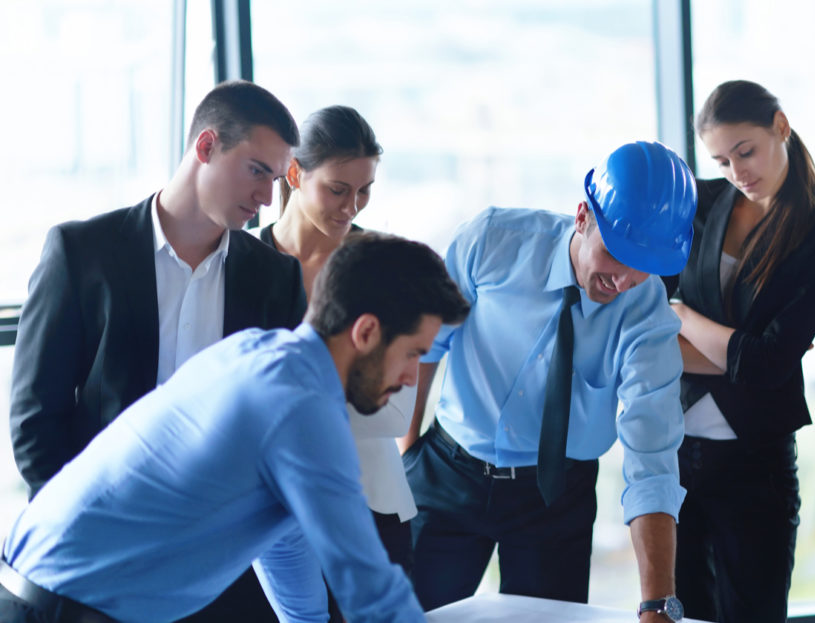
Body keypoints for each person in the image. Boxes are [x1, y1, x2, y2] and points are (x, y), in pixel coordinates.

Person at [0, 233, 471, 623]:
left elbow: (280, 535)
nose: (413, 376)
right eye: (413, 353)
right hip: (61, 611)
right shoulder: (302, 407)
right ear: (366, 332)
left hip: (33, 593)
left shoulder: (258, 354)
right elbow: (373, 593)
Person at [9, 80, 307, 622]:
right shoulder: (82, 254)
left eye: (277, 178)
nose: (268, 198)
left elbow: (281, 427)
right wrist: (86, 534)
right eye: (257, 170)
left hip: (225, 573)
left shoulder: (276, 278)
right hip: (101, 564)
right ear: (207, 146)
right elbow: (36, 418)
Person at [399, 140, 697, 621]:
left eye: (646, 267)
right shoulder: (493, 240)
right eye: (617, 254)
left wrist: (656, 604)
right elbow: (424, 346)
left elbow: (652, 461)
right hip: (447, 473)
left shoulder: (647, 316)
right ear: (583, 216)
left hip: (556, 498)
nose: (623, 280)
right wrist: (406, 453)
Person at [668, 80, 815, 623]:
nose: (737, 172)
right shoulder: (698, 203)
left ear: (780, 126)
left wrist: (683, 316)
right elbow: (643, 326)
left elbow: (769, 364)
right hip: (673, 454)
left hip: (756, 467)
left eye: (745, 151)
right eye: (722, 160)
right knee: (680, 613)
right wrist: (736, 350)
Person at [260, 106, 418, 579]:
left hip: (368, 506)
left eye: (365, 191)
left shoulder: (385, 266)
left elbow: (393, 410)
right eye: (338, 189)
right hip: (265, 514)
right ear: (293, 173)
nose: (351, 207)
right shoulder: (241, 262)